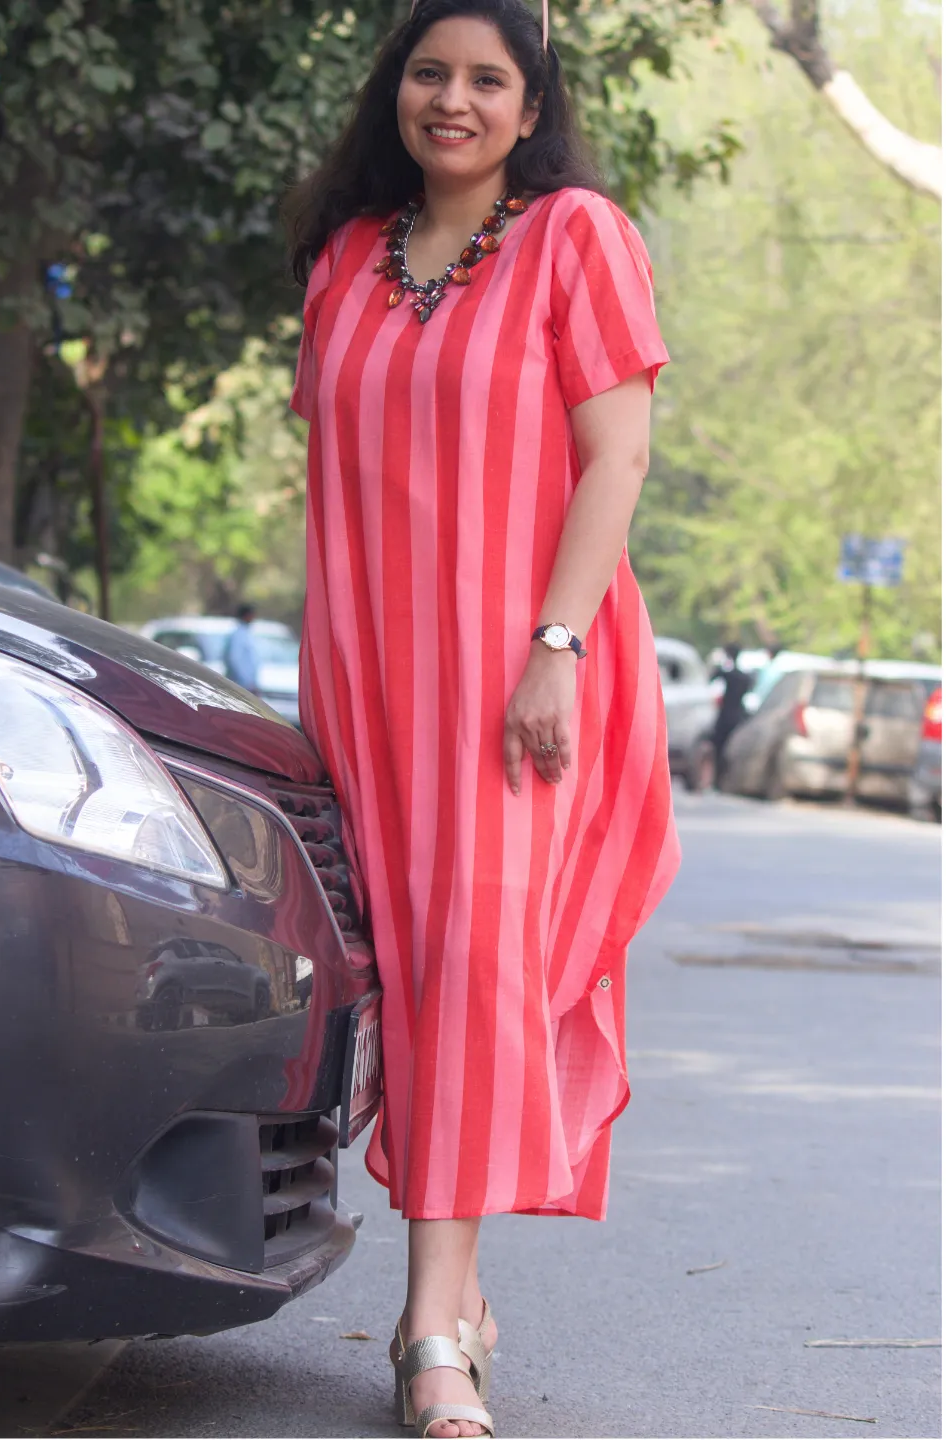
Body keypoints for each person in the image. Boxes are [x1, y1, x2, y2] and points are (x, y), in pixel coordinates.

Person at [285, 0, 680, 1432]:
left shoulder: (578, 236)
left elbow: (617, 451)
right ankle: (459, 1294)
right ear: (398, 90)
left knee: (472, 966)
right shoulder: (343, 262)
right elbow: (341, 486)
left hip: (523, 676)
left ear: (531, 103)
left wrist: (556, 647)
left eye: (486, 80)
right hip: (371, 682)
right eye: (430, 73)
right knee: (409, 973)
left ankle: (424, 1334)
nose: (452, 99)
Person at [712, 642, 752, 786]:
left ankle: (718, 780)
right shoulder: (745, 677)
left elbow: (712, 677)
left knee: (719, 748)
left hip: (726, 715)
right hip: (738, 716)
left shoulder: (727, 674)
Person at [224, 603, 260, 694]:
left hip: (247, 683)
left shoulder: (247, 633)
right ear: (246, 615)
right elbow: (234, 659)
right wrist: (245, 681)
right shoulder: (238, 635)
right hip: (241, 685)